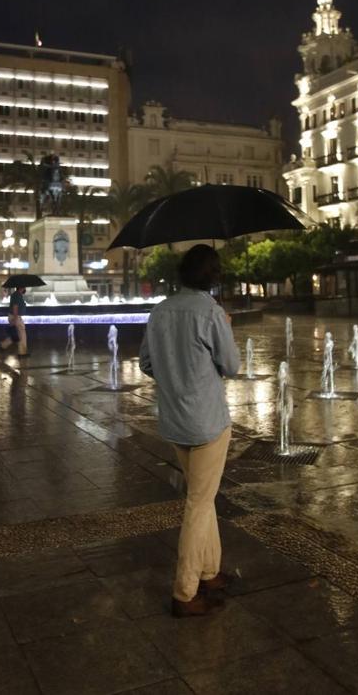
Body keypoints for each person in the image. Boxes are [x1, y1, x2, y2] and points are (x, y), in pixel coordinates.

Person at [139, 244, 240, 618]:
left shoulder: (160, 311)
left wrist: (174, 376)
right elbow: (231, 366)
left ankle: (210, 572)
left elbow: (146, 362)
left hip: (175, 420)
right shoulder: (211, 313)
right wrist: (225, 329)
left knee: (203, 495)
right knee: (198, 502)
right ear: (211, 277)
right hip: (208, 421)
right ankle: (184, 591)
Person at [0, 286, 28, 356]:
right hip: (16, 316)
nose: (25, 289)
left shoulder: (17, 295)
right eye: (24, 287)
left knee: (17, 335)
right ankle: (22, 353)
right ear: (21, 288)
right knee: (22, 335)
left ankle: (3, 345)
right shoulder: (17, 295)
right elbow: (15, 307)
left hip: (16, 316)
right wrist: (14, 319)